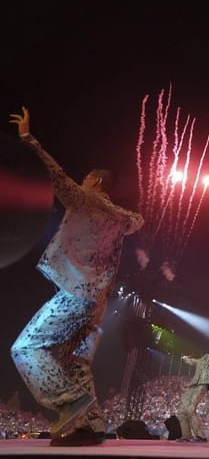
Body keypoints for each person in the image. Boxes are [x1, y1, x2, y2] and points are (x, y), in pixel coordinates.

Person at [8, 108, 144, 447]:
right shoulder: (122, 218)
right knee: (75, 361)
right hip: (97, 300)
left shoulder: (85, 199)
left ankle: (70, 401)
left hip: (75, 293)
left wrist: (28, 138)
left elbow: (56, 175)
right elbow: (137, 222)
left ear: (95, 181)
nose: (80, 181)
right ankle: (92, 427)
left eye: (85, 178)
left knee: (26, 347)